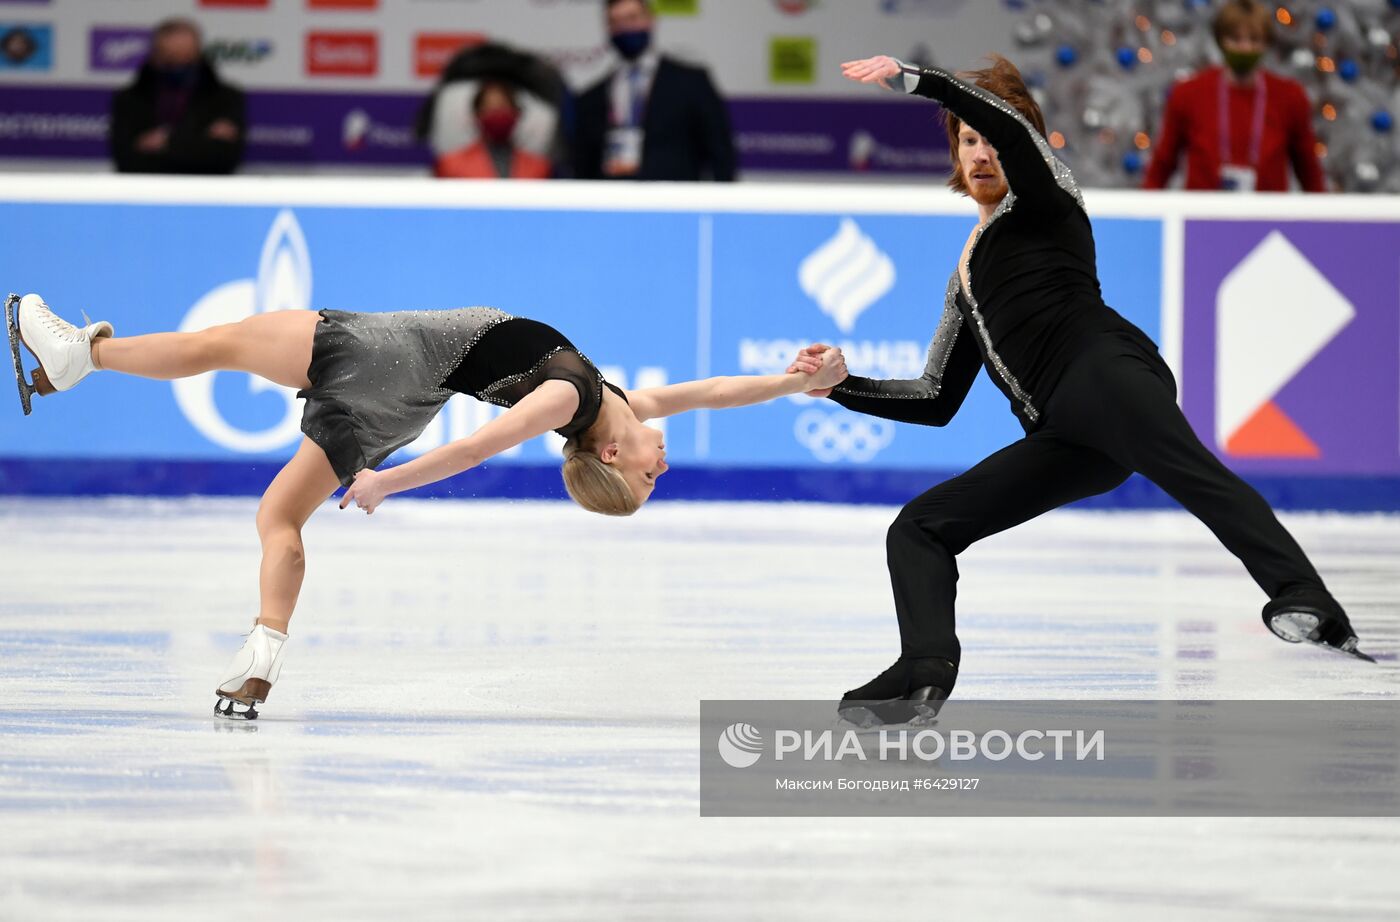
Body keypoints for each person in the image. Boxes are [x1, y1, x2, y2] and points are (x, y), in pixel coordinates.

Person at [797, 52, 1370, 727]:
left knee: (1195, 476)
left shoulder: (1046, 195)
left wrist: (919, 81)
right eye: (967, 140)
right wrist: (842, 386)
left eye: (989, 138)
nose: (981, 153)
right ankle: (924, 668)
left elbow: (1012, 131)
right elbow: (935, 397)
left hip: (1105, 371)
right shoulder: (965, 277)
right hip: (1065, 434)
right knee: (920, 528)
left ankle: (1305, 595)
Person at [7, 293, 847, 719]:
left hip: (390, 355)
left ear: (610, 456)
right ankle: (262, 652)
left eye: (648, 479)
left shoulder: (568, 400)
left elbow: (477, 449)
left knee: (217, 343)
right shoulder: (620, 403)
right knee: (278, 519)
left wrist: (386, 483)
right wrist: (794, 383)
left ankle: (83, 356)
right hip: (401, 405)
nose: (663, 465)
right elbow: (713, 392)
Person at [1142, 0, 1325, 192]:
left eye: (1254, 40)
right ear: (1221, 41)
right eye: (1236, 39)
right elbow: (1162, 164)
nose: (1245, 48)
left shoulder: (1290, 97)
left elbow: (1309, 171)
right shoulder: (1188, 93)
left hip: (1267, 208)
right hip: (1203, 207)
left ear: (1266, 43)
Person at [572, 0, 736, 181]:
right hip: (613, 194)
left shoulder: (691, 83)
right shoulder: (591, 97)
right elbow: (582, 165)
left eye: (632, 18)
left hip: (673, 193)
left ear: (650, 20)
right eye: (615, 21)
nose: (624, 27)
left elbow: (721, 151)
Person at [109, 18, 245, 175]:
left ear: (198, 54)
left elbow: (224, 159)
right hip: (147, 187)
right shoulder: (129, 100)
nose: (180, 65)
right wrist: (201, 141)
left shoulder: (226, 99)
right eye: (171, 59)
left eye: (187, 58)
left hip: (205, 188)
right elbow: (127, 160)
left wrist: (166, 142)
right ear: (155, 56)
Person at [435, 79, 553, 180]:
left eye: (503, 107)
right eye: (490, 108)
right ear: (477, 115)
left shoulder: (540, 168)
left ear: (516, 113)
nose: (498, 113)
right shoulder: (451, 166)